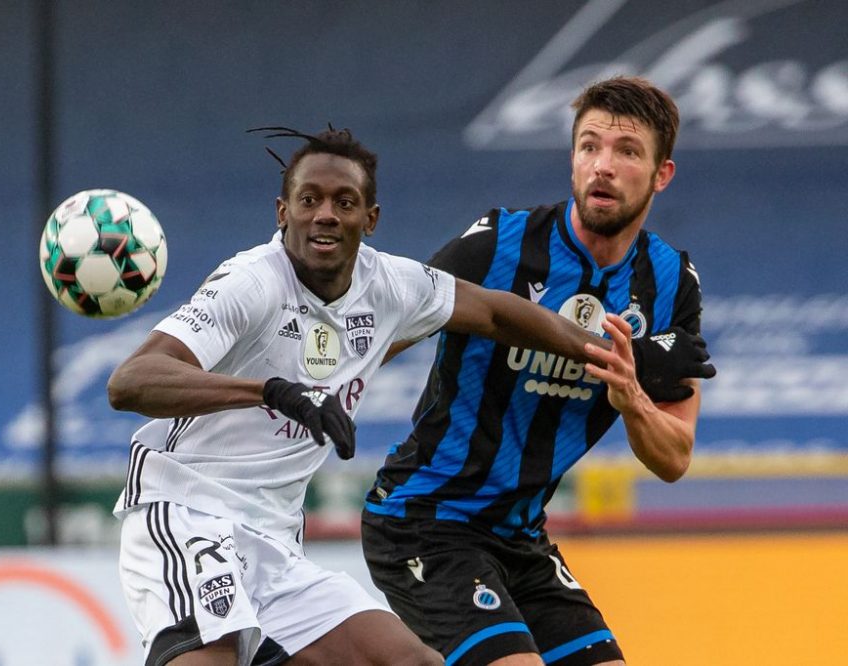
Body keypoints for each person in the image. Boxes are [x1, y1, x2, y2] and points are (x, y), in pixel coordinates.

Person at [106, 123, 712, 666]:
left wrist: (607, 353)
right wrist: (273, 391)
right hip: (185, 510)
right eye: (309, 200)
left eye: (344, 202)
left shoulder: (391, 284)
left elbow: (502, 315)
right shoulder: (251, 283)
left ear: (369, 219)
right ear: (281, 212)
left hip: (274, 540)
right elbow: (129, 382)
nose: (325, 215)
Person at [361, 76, 712, 666]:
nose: (602, 165)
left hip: (521, 540)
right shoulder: (497, 245)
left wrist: (633, 400)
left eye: (626, 152)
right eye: (589, 146)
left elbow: (674, 458)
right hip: (424, 521)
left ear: (661, 175)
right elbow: (372, 340)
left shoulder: (672, 283)